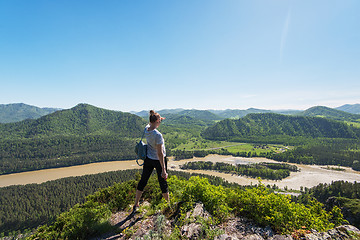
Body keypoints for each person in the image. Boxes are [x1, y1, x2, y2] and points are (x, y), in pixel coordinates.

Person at [133, 110, 169, 211]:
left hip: (148, 159)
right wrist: (163, 169)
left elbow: (150, 123)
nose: (160, 122)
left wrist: (157, 119)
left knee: (143, 181)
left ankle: (136, 204)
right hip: (158, 161)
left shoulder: (146, 129)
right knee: (163, 183)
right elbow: (160, 153)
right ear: (157, 121)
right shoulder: (158, 135)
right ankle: (168, 206)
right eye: (160, 121)